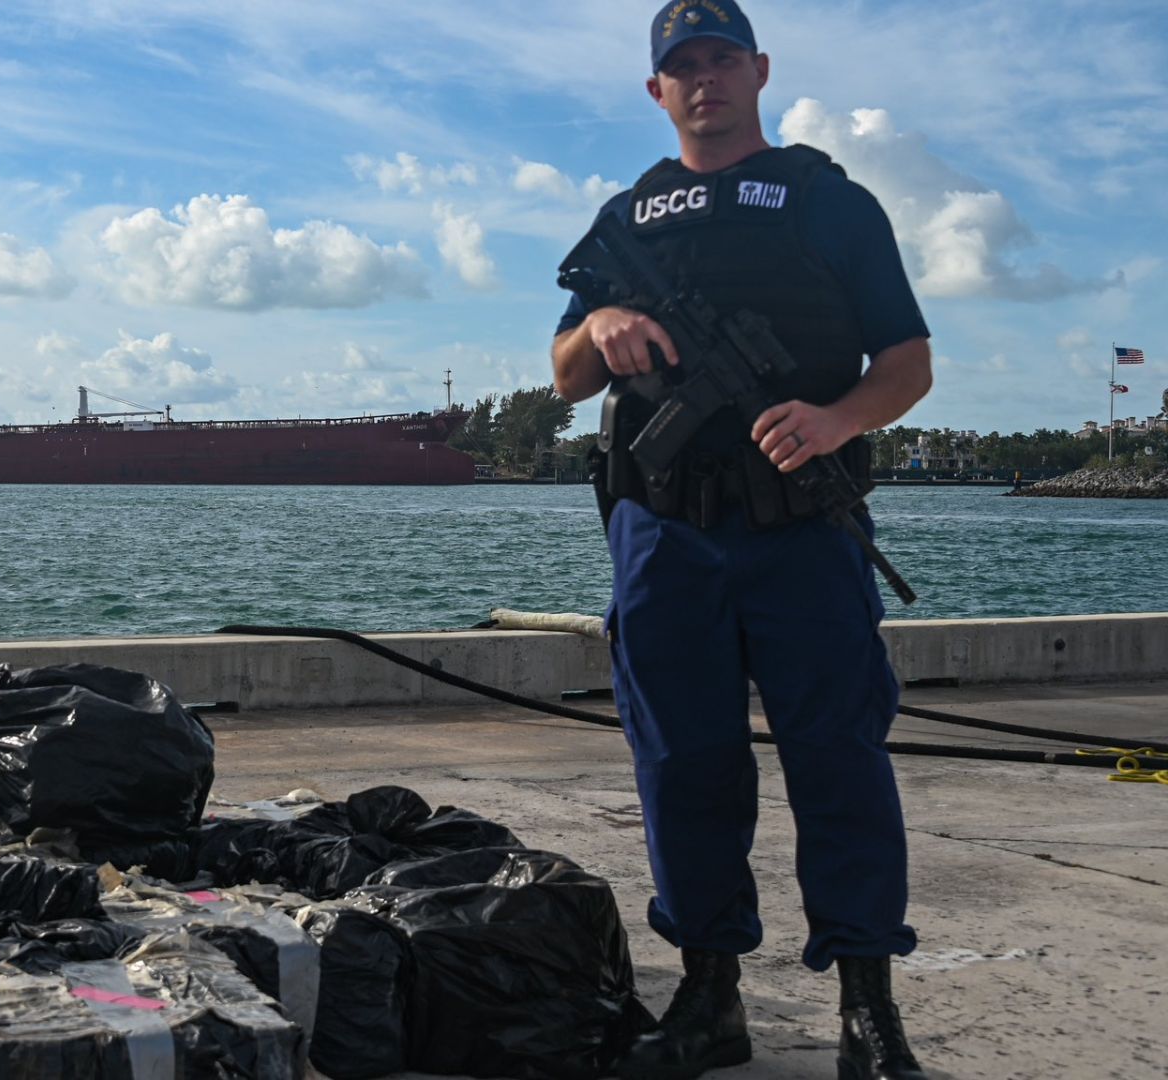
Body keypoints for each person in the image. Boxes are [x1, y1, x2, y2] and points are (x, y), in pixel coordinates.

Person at [549, 3, 934, 1079]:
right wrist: (601, 329)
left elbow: (907, 361)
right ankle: (709, 998)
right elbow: (564, 372)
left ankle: (868, 1010)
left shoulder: (828, 202)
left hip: (800, 528)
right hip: (665, 532)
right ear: (656, 91)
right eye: (683, 66)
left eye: (723, 60)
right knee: (682, 762)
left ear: (759, 71)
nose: (705, 79)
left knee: (839, 758)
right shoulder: (629, 217)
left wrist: (836, 420)